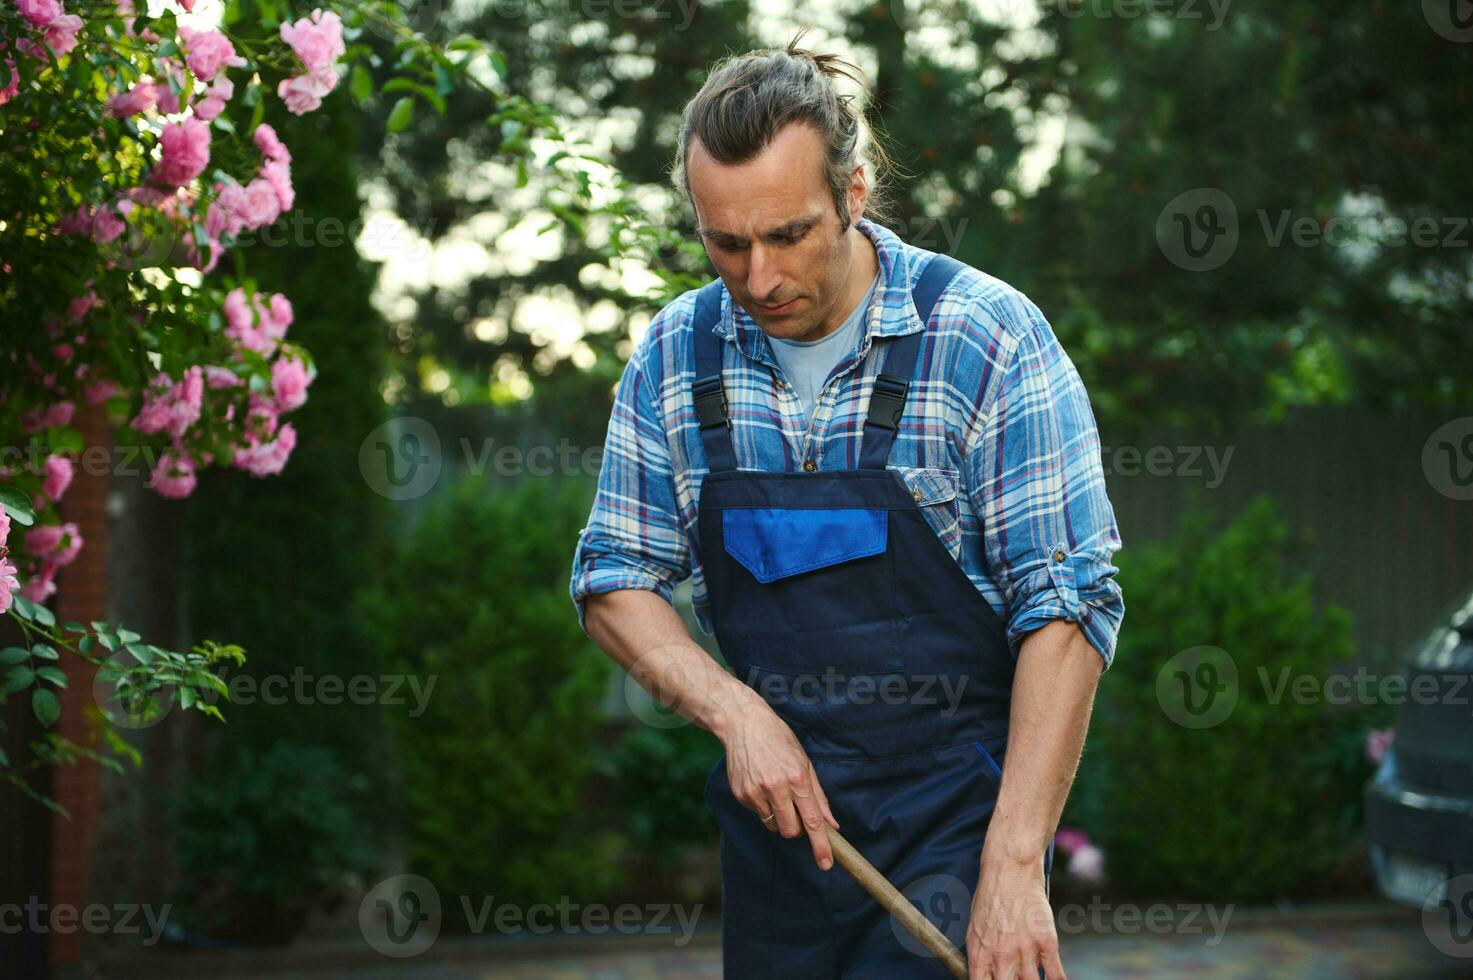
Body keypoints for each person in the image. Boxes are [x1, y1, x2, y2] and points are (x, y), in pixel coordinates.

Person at [570, 31, 1124, 980]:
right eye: (726, 243)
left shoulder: (983, 339)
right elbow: (613, 576)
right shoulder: (674, 356)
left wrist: (1014, 863)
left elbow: (1068, 605)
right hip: (780, 853)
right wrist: (736, 715)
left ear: (854, 193)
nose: (759, 279)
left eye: (789, 234)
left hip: (955, 838)